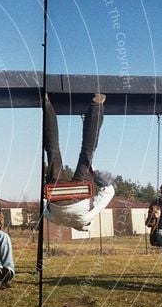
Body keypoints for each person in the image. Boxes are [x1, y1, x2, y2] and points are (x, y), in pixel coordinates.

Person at [43, 93, 115, 231]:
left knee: (87, 152)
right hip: (56, 196)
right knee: (53, 152)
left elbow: (109, 192)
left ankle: (97, 105)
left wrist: (96, 175)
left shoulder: (88, 217)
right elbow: (44, 208)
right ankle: (46, 103)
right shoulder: (58, 222)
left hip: (80, 195)